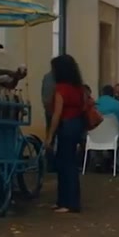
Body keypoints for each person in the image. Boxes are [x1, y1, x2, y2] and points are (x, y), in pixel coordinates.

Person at [45, 55, 86, 214]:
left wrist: (50, 135)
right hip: (77, 124)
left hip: (66, 125)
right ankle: (65, 201)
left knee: (65, 164)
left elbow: (57, 114)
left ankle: (69, 203)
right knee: (69, 163)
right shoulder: (78, 88)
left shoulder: (60, 89)